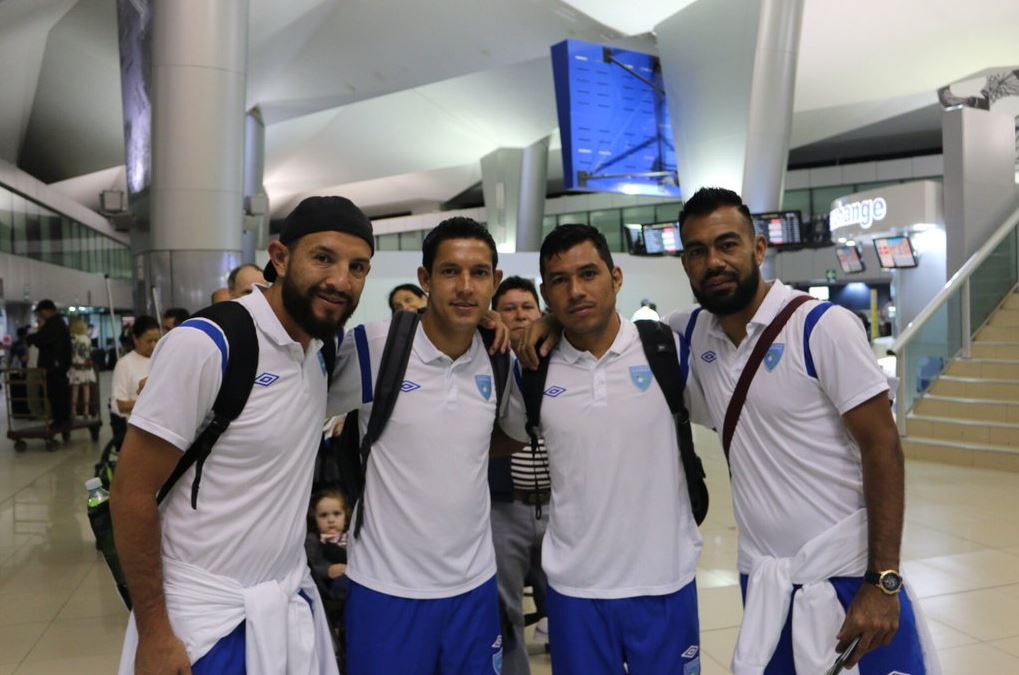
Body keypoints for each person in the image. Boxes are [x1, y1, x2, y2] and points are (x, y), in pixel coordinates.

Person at [669, 187, 937, 674]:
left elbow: (882, 447)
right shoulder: (690, 334)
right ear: (685, 263)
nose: (714, 262)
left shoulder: (821, 327)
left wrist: (883, 581)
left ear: (758, 249)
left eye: (727, 244)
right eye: (697, 251)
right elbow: (605, 333)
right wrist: (551, 326)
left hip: (851, 578)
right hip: (765, 581)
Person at [110, 195, 375, 675]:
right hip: (203, 621)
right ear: (280, 258)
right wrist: (155, 632)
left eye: (357, 267)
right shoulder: (206, 344)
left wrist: (490, 320)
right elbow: (130, 493)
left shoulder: (321, 348)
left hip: (285, 602)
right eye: (323, 258)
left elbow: (432, 335)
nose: (341, 280)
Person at [500, 225, 703, 675]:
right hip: (575, 591)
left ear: (616, 277)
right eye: (560, 281)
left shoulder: (667, 349)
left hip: (664, 582)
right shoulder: (532, 371)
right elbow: (509, 433)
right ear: (546, 294)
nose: (575, 290)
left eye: (588, 274)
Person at [328, 217, 507, 674]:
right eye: (450, 272)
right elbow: (294, 403)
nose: (465, 287)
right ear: (425, 278)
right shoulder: (374, 347)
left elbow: (504, 437)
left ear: (495, 281)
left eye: (479, 273)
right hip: (386, 590)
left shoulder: (499, 355)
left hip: (474, 588)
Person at [488, 276, 550, 675]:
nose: (519, 315)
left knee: (567, 600)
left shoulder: (560, 359)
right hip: (504, 508)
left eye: (527, 307)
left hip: (558, 507)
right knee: (505, 609)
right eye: (508, 308)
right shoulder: (485, 362)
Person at [109, 316, 161, 440]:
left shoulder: (162, 360)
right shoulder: (125, 364)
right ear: (136, 339)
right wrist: (152, 402)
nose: (153, 345)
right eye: (149, 341)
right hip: (139, 428)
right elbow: (121, 405)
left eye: (156, 340)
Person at [26, 299, 72, 433]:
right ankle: (64, 419)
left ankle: (59, 421)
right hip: (59, 365)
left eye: (41, 312)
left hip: (54, 366)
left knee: (56, 394)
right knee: (60, 393)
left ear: (48, 311)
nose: (40, 316)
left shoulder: (54, 324)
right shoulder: (58, 323)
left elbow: (42, 339)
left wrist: (31, 339)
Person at [68, 318, 97, 418]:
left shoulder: (72, 338)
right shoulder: (87, 339)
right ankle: (86, 411)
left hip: (75, 367)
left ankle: (73, 411)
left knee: (75, 389)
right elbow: (88, 353)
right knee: (86, 389)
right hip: (86, 367)